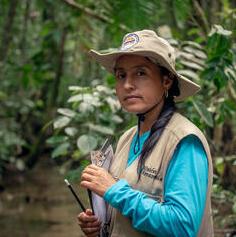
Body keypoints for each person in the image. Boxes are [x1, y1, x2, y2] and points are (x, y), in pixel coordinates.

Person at [77, 29, 213, 237]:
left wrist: (114, 190)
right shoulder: (127, 138)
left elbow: (183, 227)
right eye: (121, 75)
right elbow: (123, 213)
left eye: (141, 73)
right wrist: (102, 226)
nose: (127, 85)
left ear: (167, 81)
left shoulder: (184, 141)